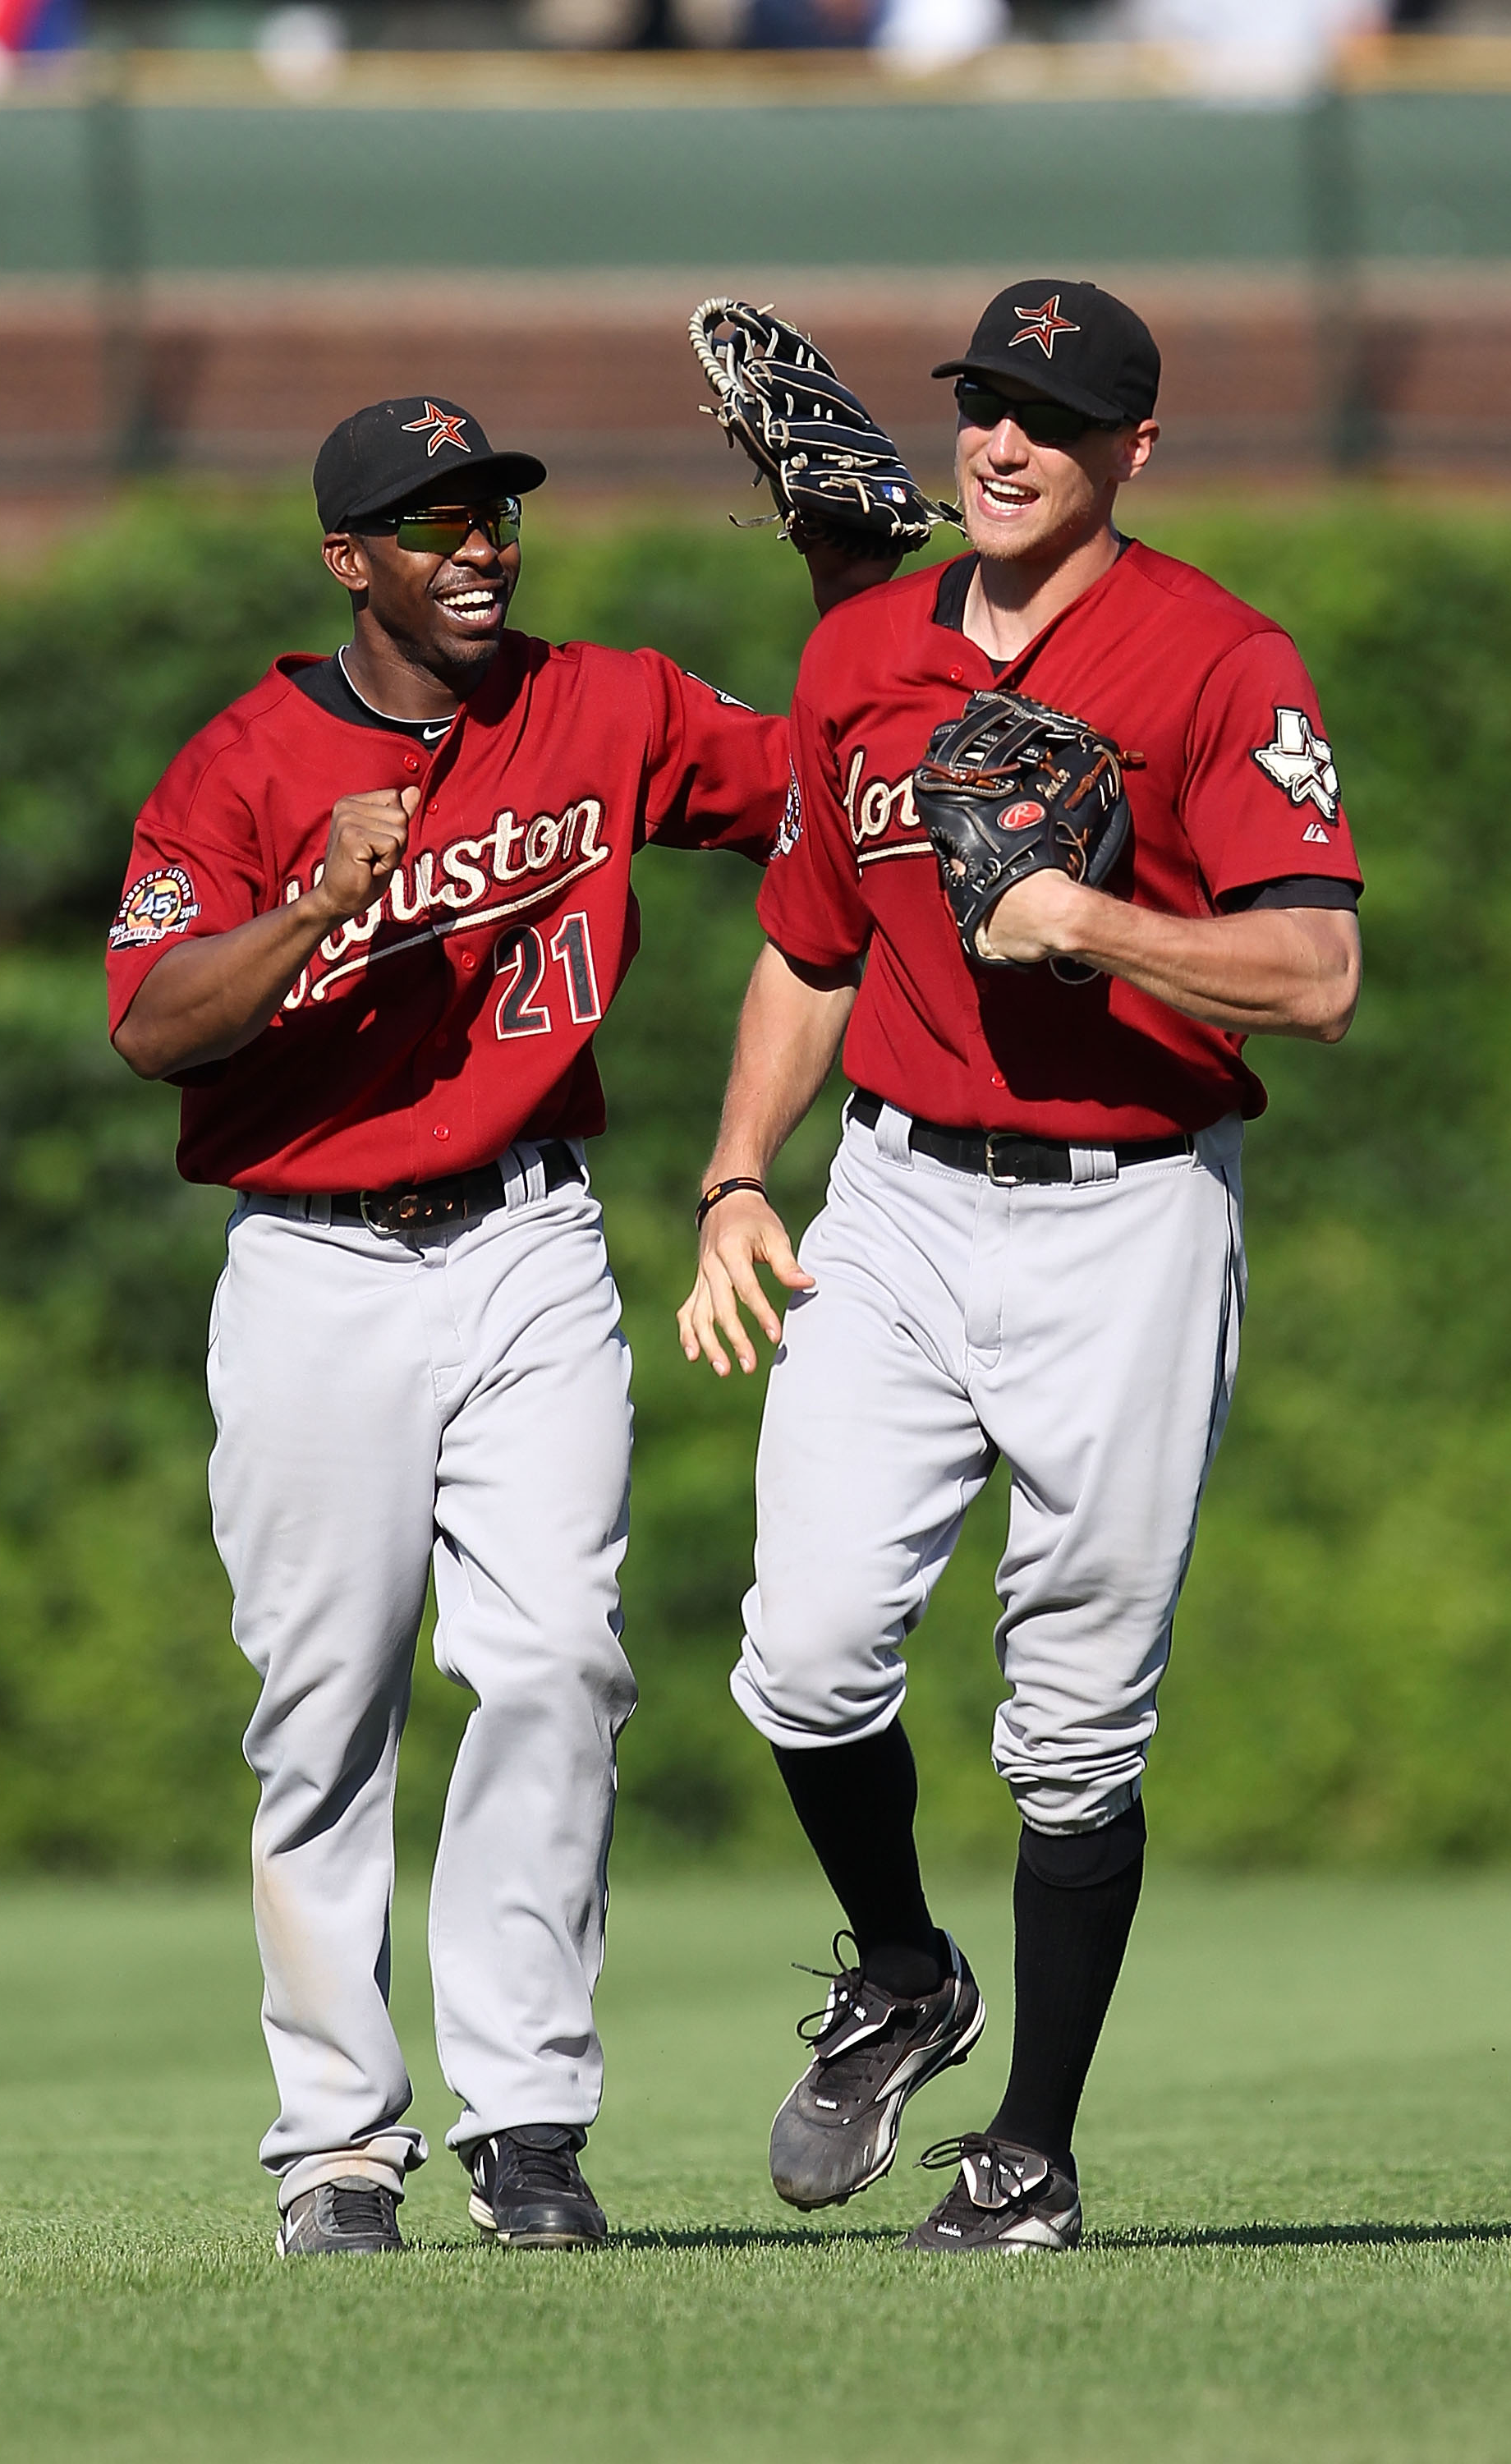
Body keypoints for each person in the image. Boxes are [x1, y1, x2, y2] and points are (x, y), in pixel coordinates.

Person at [105, 396, 879, 2258]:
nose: (474, 551)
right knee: (324, 1712)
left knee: (551, 1665)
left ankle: (526, 2124)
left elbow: (823, 782)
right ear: (345, 560)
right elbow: (148, 1021)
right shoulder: (245, 764)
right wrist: (314, 901)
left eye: (493, 517)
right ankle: (336, 2148)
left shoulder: (597, 705)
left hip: (529, 1239)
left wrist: (852, 589)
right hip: (312, 1263)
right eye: (428, 524)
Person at [677, 280, 1363, 2253]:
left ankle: (1031, 2150)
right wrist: (737, 1173)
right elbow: (814, 942)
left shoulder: (1221, 660)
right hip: (893, 1195)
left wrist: (1093, 922)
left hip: (1128, 1214)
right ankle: (900, 1967)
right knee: (802, 1653)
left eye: (1047, 420)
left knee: (1070, 1716)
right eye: (979, 405)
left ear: (1129, 453)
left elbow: (1313, 973)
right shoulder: (859, 656)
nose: (997, 443)